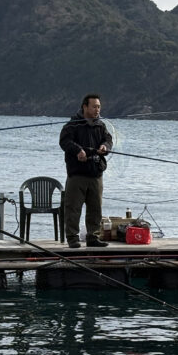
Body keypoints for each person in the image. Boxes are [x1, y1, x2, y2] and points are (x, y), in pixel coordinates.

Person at [59, 93, 113, 249]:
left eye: (99, 107)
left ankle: (93, 237)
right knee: (73, 208)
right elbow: (64, 141)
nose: (97, 110)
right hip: (77, 174)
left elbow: (108, 140)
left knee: (95, 208)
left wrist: (105, 147)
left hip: (96, 173)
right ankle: (72, 238)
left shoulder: (100, 125)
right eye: (94, 107)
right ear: (85, 107)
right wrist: (78, 151)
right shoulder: (72, 124)